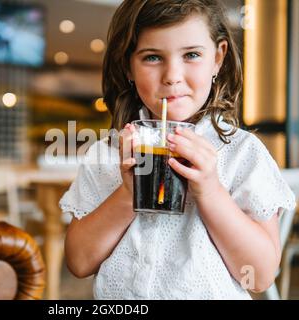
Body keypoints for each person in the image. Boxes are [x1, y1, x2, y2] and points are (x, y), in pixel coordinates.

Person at [59, 0, 297, 299]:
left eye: (192, 55)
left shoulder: (242, 154)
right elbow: (79, 262)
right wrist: (128, 193)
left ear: (218, 58)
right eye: (153, 57)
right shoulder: (108, 155)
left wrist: (210, 190)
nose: (172, 75)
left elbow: (259, 277)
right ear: (128, 66)